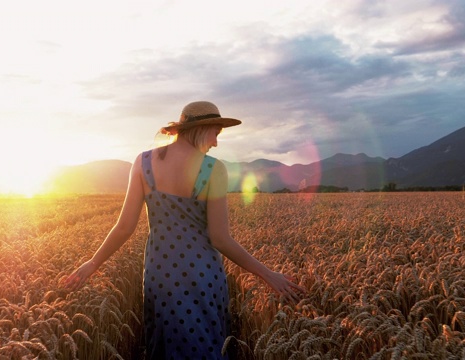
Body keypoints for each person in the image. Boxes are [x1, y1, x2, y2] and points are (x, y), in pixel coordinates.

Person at [64, 101, 306, 359]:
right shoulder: (213, 169)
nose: (215, 142)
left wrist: (93, 263)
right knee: (205, 348)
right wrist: (268, 274)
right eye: (216, 132)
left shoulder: (143, 162)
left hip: (160, 276)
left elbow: (124, 227)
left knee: (165, 348)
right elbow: (221, 239)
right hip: (202, 276)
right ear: (200, 129)